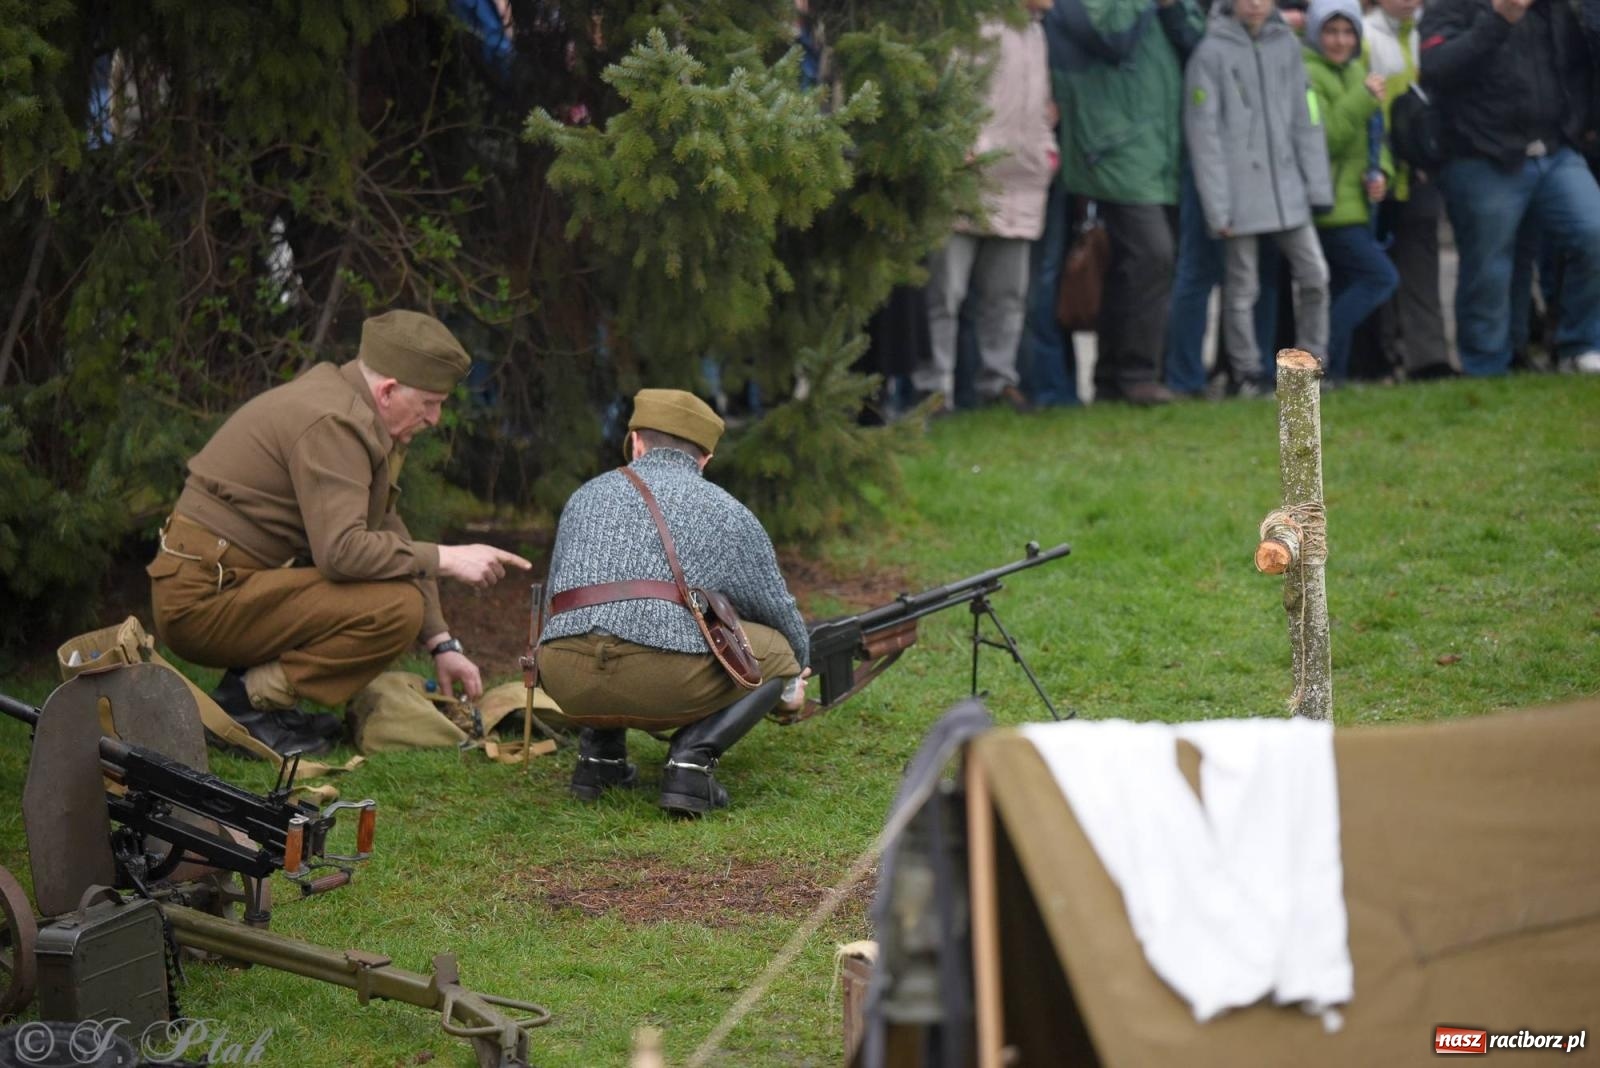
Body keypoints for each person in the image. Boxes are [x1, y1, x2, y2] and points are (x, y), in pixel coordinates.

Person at [148, 311, 532, 755]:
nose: (435, 418)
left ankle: (260, 701)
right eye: (429, 403)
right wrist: (448, 558)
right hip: (200, 602)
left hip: (227, 584)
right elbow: (342, 553)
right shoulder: (334, 422)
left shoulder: (348, 405)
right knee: (396, 608)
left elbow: (387, 529)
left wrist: (441, 642)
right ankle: (248, 704)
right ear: (388, 391)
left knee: (396, 588)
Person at [538, 389, 810, 816]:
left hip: (562, 673)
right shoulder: (726, 510)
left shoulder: (584, 495)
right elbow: (777, 613)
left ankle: (598, 761)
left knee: (599, 615)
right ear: (705, 458)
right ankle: (690, 763)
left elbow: (554, 601)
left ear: (636, 443)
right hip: (656, 679)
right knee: (778, 650)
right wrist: (793, 677)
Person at [1419, 0, 1600, 375]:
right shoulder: (1451, 6)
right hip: (1481, 154)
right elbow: (1437, 68)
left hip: (1554, 150)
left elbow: (1578, 67)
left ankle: (1580, 345)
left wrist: (1575, 125)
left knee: (1593, 231)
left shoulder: (1550, 7)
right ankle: (1487, 364)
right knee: (1489, 267)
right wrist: (1499, 20)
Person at [1052, 0, 1206, 405]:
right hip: (1111, 147)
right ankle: (1137, 375)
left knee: (1132, 266)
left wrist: (1173, 8)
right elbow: (1111, 36)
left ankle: (1111, 379)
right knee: (1153, 255)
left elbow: (1197, 41)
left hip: (1159, 150)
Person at [912, 1, 1057, 414]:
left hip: (1022, 181)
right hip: (967, 176)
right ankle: (934, 391)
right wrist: (965, 148)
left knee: (1008, 296)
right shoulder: (973, 24)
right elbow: (945, 91)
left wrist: (1047, 153)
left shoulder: (1036, 32)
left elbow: (1040, 106)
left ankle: (998, 383)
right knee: (945, 294)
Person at [1184, 0, 1333, 390]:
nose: (1254, 4)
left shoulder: (1288, 45)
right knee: (1242, 288)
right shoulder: (1210, 52)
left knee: (1315, 276)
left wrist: (1317, 186)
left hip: (1289, 191)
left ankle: (1309, 367)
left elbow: (1307, 116)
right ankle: (1246, 372)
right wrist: (1218, 207)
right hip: (1239, 195)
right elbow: (1204, 136)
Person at [1304, 0, 1400, 383]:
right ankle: (1315, 353)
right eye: (1331, 31)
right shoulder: (1308, 75)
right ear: (1315, 33)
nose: (1340, 41)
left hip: (1357, 204)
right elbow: (1324, 138)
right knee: (1380, 277)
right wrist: (1362, 97)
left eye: (1348, 32)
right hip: (1328, 207)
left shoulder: (1358, 71)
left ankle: (1333, 377)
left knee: (1345, 285)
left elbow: (1377, 138)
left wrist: (1382, 174)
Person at [1361, 0, 1454, 380]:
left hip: (1420, 169)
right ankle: (1381, 357)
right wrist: (1381, 164)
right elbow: (1372, 111)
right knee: (1378, 268)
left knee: (1421, 262)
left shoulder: (1427, 30)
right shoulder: (1365, 35)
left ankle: (1428, 358)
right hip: (1378, 171)